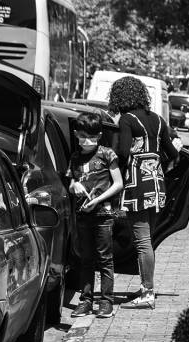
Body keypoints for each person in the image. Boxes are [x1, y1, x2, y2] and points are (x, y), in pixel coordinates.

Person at [111, 76, 180, 311]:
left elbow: (121, 152)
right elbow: (172, 153)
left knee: (142, 242)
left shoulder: (127, 119)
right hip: (157, 183)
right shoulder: (159, 121)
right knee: (147, 240)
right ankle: (147, 289)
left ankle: (147, 292)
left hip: (137, 184)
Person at [68, 112, 123, 319]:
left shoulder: (107, 154)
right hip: (82, 214)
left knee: (105, 259)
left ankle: (106, 301)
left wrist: (98, 200)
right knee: (85, 259)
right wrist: (76, 186)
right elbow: (71, 182)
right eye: (82, 137)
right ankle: (86, 300)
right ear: (76, 134)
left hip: (103, 214)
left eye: (91, 137)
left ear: (99, 135)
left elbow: (118, 184)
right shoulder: (75, 157)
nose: (87, 141)